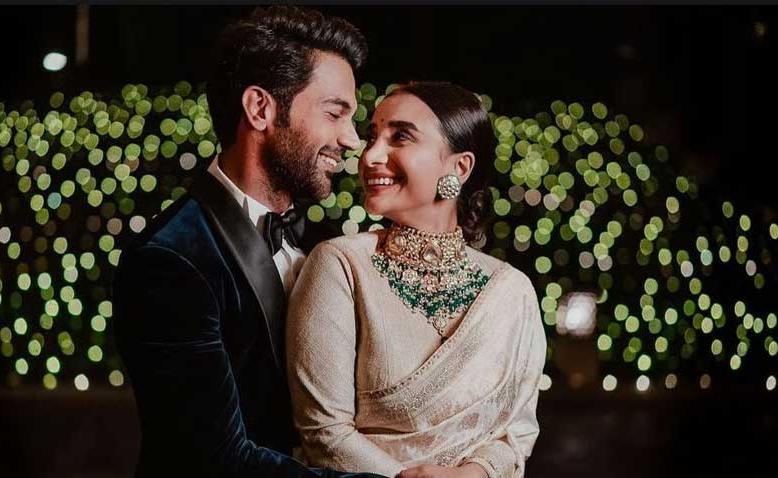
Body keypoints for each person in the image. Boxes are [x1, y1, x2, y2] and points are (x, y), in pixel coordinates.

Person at [112, 6, 381, 477]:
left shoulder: (327, 243)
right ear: (260, 109)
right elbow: (214, 460)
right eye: (335, 113)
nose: (352, 140)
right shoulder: (170, 259)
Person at [286, 82, 547, 478]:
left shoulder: (512, 292)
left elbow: (515, 434)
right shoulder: (341, 265)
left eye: (400, 136)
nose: (370, 154)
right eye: (373, 135)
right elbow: (325, 435)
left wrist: (472, 474)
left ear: (458, 168)